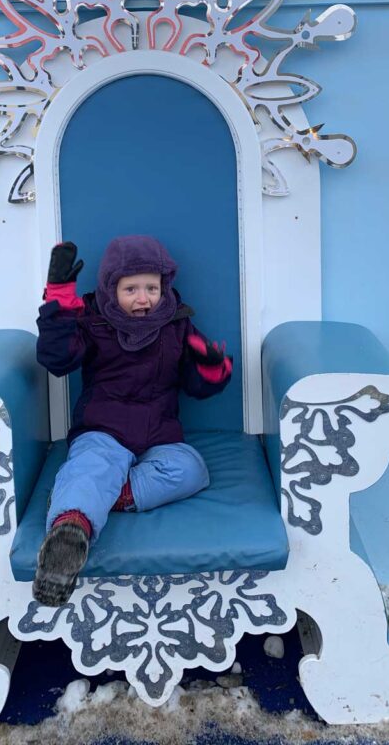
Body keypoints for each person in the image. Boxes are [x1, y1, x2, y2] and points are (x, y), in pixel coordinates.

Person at [34, 235, 233, 607]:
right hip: (103, 428)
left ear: (165, 287)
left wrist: (211, 368)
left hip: (159, 432)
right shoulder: (93, 320)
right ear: (111, 287)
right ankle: (69, 534)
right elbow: (57, 359)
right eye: (131, 289)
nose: (143, 299)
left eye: (151, 288)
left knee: (191, 470)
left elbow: (196, 385)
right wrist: (59, 302)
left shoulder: (177, 323)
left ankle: (100, 494)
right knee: (93, 463)